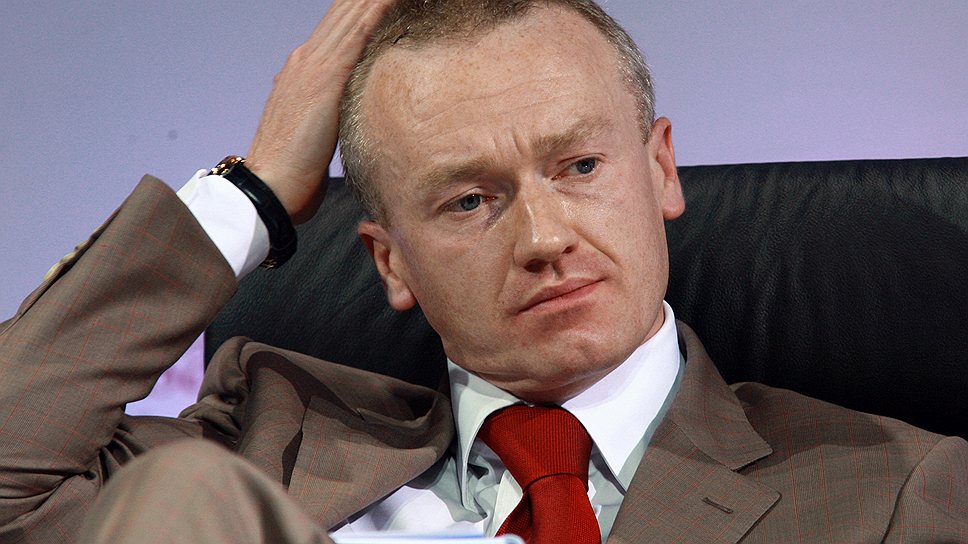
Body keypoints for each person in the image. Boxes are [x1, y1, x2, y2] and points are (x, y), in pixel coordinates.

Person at [0, 0, 965, 543]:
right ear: (390, 262)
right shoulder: (269, 437)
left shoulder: (896, 490)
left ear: (662, 170)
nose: (545, 237)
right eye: (469, 201)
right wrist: (253, 193)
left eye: (578, 167)